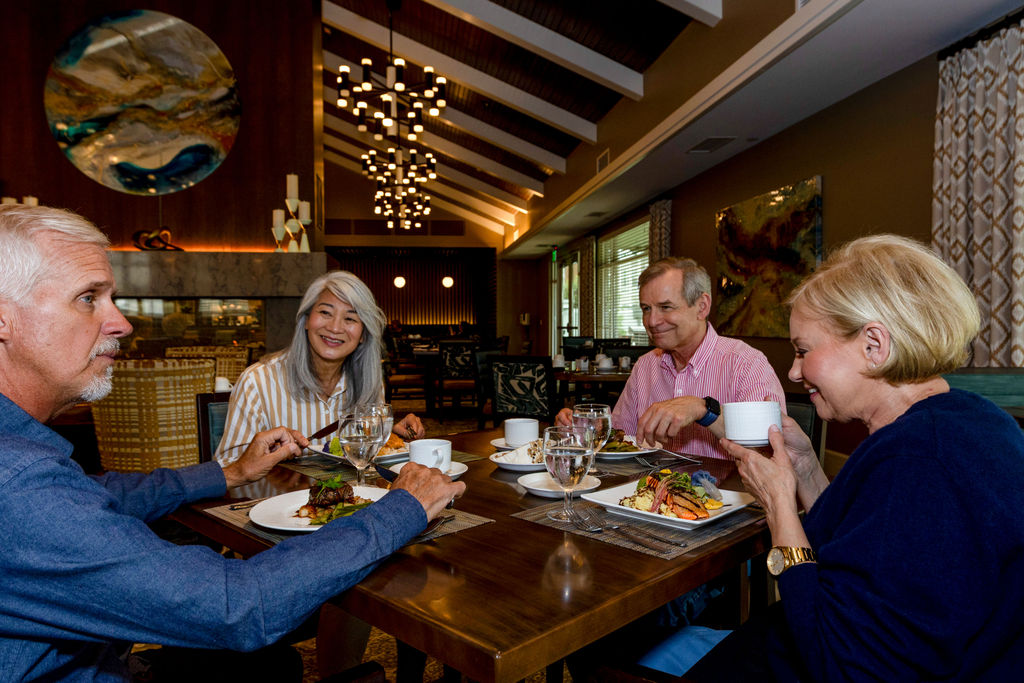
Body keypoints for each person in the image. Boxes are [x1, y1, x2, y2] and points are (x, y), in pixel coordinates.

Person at [0, 204, 465, 682]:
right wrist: (402, 509)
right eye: (88, 298)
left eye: (110, 298)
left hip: (98, 657)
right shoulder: (20, 484)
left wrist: (229, 472)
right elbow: (236, 605)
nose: (122, 323)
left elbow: (108, 491)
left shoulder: (28, 460)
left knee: (277, 663)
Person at [646, 234, 1024, 680]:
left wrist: (780, 507)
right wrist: (806, 471)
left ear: (874, 345)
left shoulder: (919, 463)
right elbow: (866, 554)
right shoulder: (976, 419)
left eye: (803, 351)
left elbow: (843, 666)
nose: (793, 371)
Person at [557, 257, 784, 459]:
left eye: (665, 307)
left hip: (726, 492)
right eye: (646, 308)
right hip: (648, 490)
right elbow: (621, 437)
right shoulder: (646, 365)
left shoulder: (746, 364)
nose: (652, 321)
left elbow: (770, 452)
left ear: (702, 307)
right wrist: (583, 429)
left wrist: (704, 410)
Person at [215, 270, 425, 466]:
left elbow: (365, 456)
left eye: (350, 318)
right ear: (306, 320)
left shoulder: (369, 382)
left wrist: (389, 436)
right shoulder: (257, 382)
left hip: (352, 493)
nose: (335, 327)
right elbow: (228, 469)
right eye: (325, 312)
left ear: (363, 334)